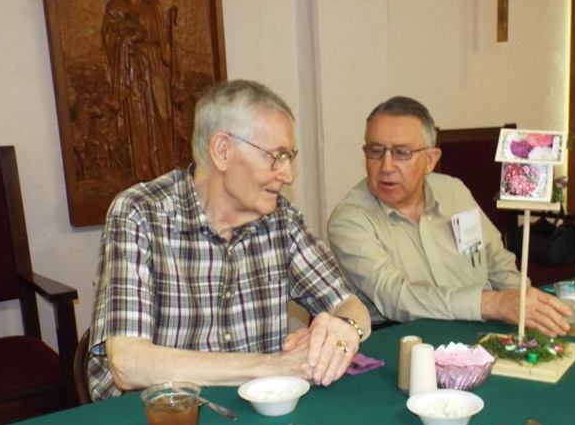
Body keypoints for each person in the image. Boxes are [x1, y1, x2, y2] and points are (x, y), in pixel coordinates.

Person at [87, 79, 370, 401]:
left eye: (289, 157)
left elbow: (349, 304)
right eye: (276, 156)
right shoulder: (141, 213)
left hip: (249, 409)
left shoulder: (280, 219)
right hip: (151, 415)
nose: (288, 175)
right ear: (222, 150)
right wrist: (272, 366)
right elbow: (128, 364)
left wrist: (343, 330)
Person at [327, 96, 570, 336]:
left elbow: (496, 261)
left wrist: (525, 303)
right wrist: (494, 303)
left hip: (477, 329)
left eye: (401, 153)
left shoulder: (454, 191)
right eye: (375, 151)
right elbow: (396, 297)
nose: (386, 166)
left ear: (430, 160)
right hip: (403, 338)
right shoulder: (349, 220)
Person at [101, 0, 175, 180]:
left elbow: (162, 38)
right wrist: (127, 39)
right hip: (132, 69)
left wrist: (166, 42)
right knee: (140, 120)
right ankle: (144, 172)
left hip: (155, 67)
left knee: (162, 116)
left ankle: (165, 169)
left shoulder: (154, 3)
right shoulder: (116, 5)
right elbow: (108, 38)